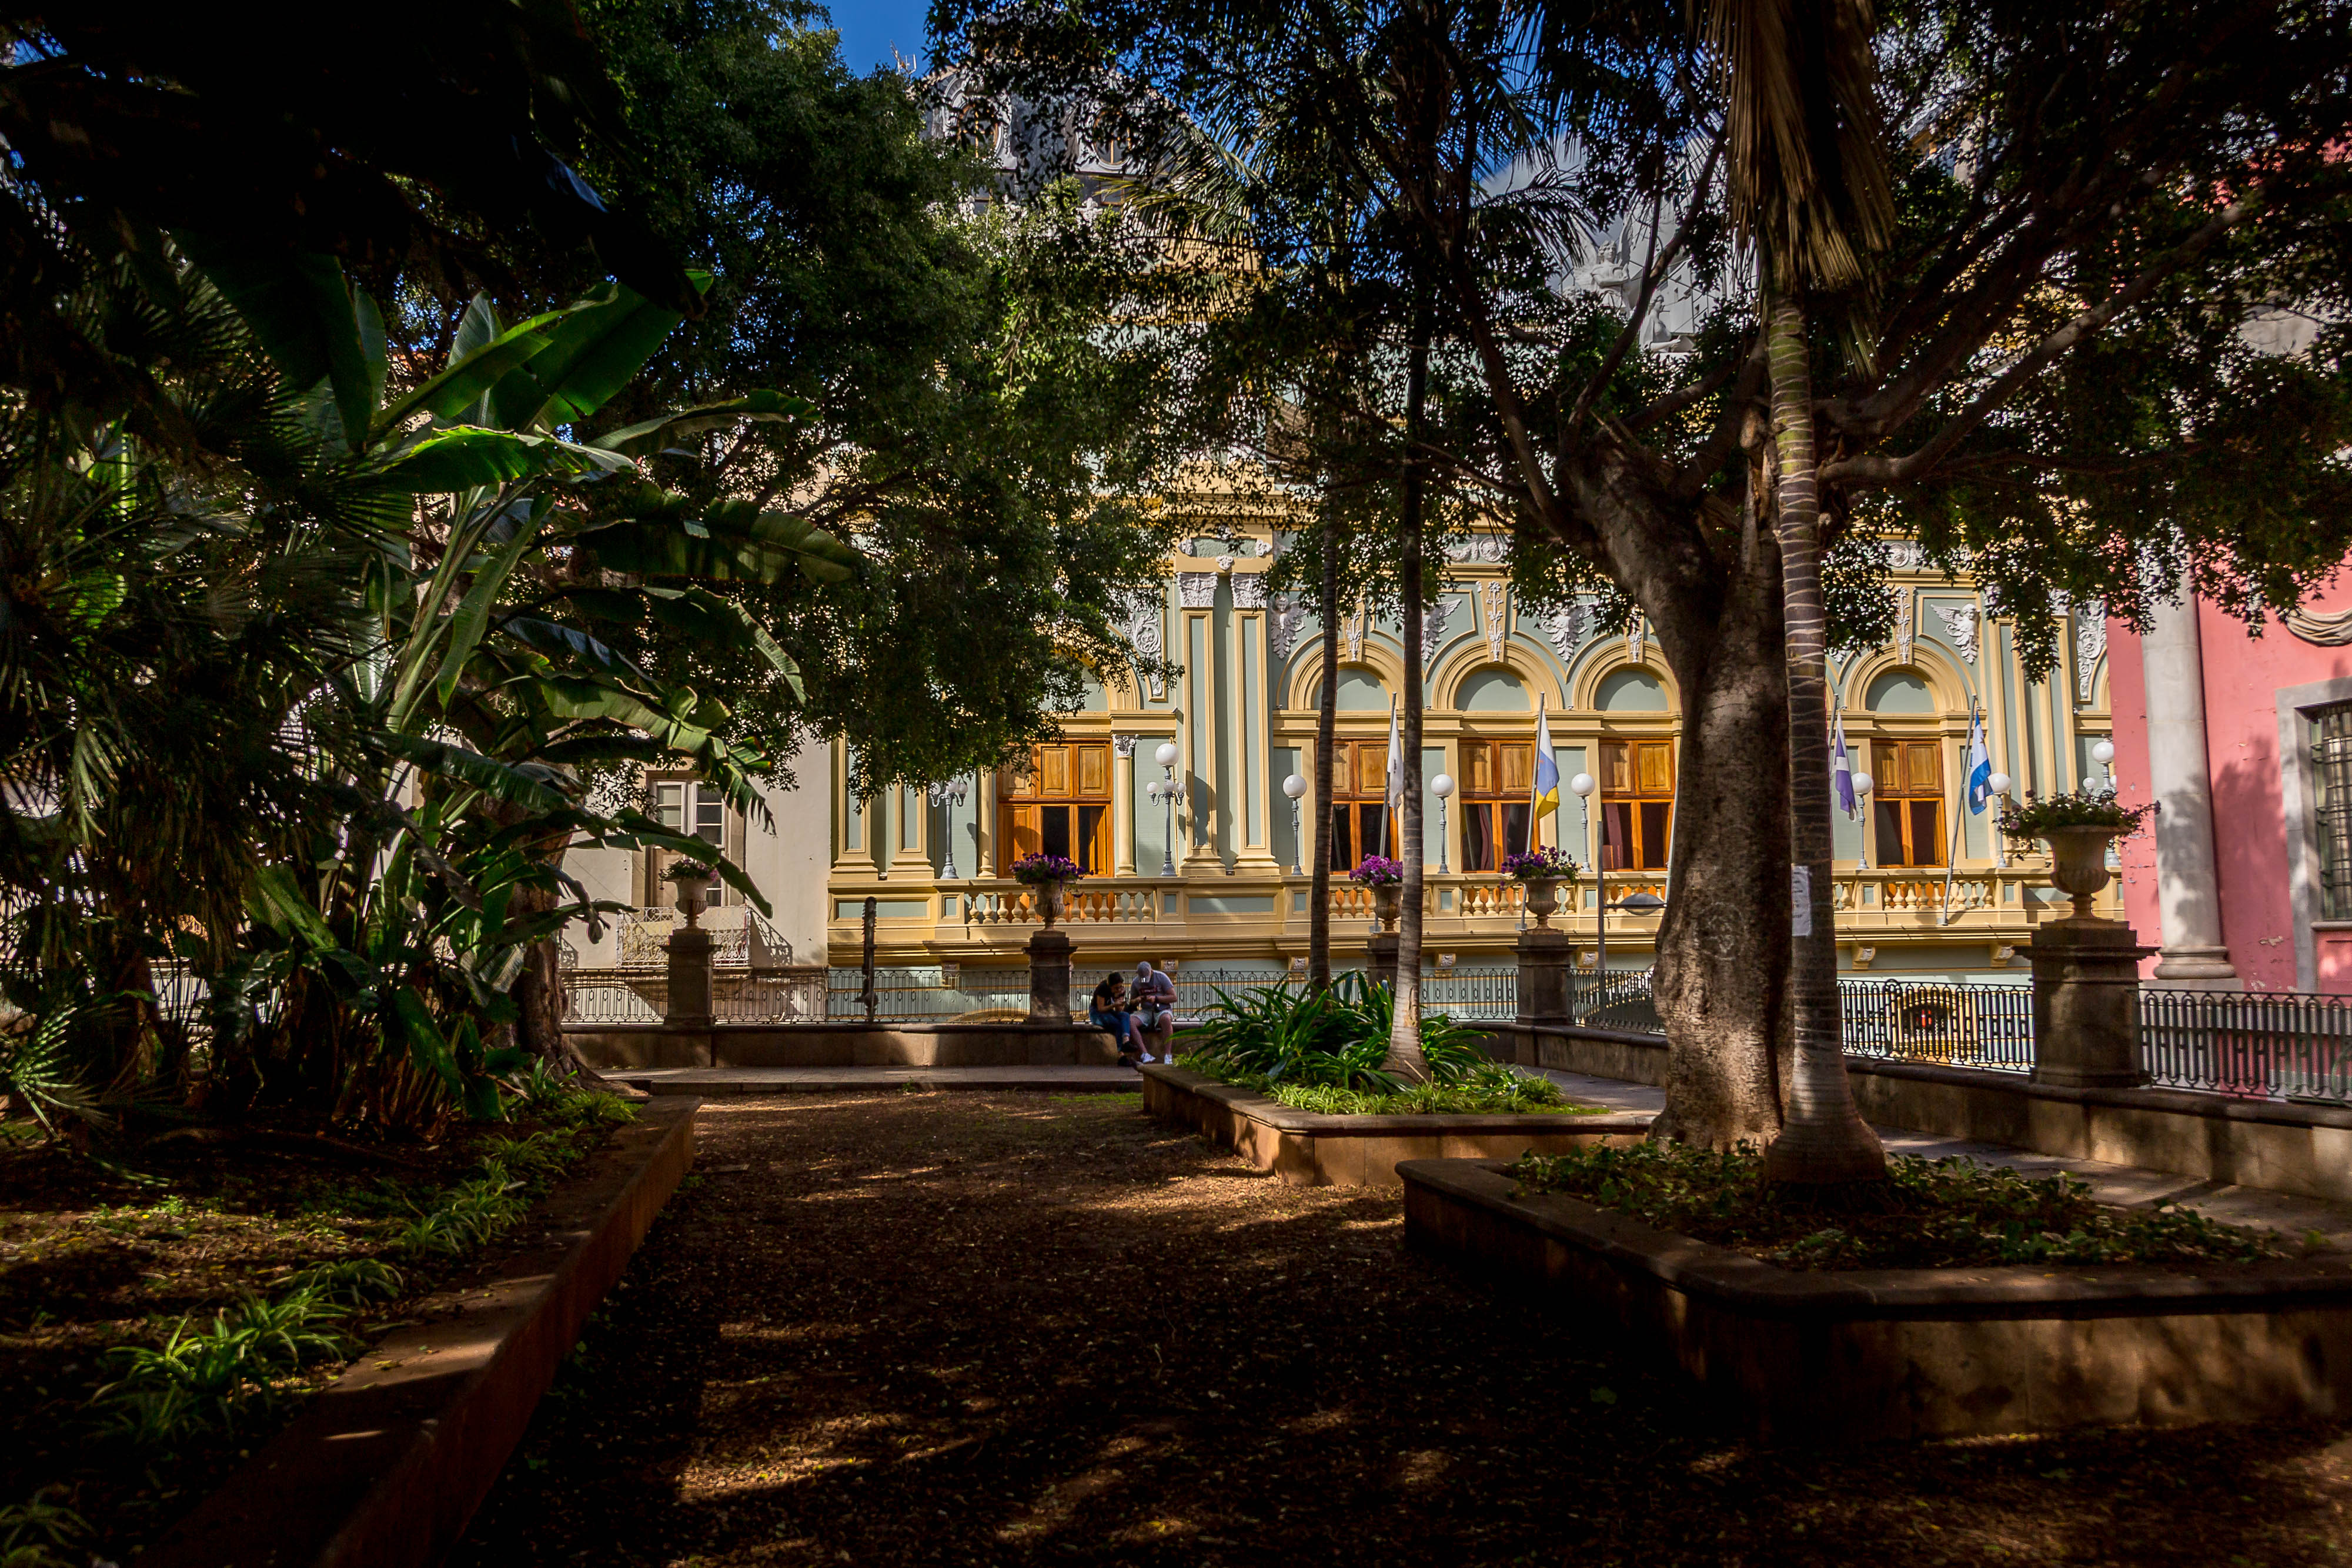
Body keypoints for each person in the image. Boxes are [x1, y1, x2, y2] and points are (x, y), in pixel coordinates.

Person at [1089, 972, 1140, 1067]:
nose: (1119, 989)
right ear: (1110, 986)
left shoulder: (1120, 991)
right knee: (1116, 1024)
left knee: (1125, 1015)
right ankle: (1121, 1056)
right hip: (1096, 1013)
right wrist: (1114, 1005)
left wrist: (1118, 997)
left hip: (1109, 1011)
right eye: (1116, 988)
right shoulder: (1103, 988)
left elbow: (1119, 1011)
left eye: (1120, 987)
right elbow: (1100, 1008)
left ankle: (1126, 1041)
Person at [1131, 961, 1178, 1062]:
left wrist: (1156, 999)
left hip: (1162, 1009)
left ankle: (1168, 1056)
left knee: (1166, 1019)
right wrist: (1137, 1000)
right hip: (1146, 1011)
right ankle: (1145, 1054)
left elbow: (1174, 997)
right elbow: (1132, 1002)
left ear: (1151, 971)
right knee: (1130, 1021)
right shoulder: (1135, 982)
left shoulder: (1161, 977)